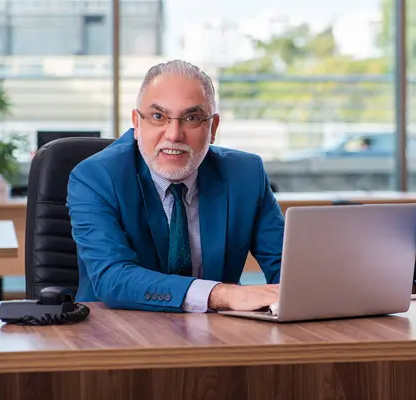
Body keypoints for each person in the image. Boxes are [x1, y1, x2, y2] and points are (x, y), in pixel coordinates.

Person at [66, 60, 283, 313]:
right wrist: (221, 294)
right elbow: (113, 279)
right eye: (158, 117)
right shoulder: (95, 177)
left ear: (212, 128)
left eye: (191, 118)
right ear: (137, 123)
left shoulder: (246, 175)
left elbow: (288, 266)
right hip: (119, 333)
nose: (174, 134)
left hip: (218, 336)